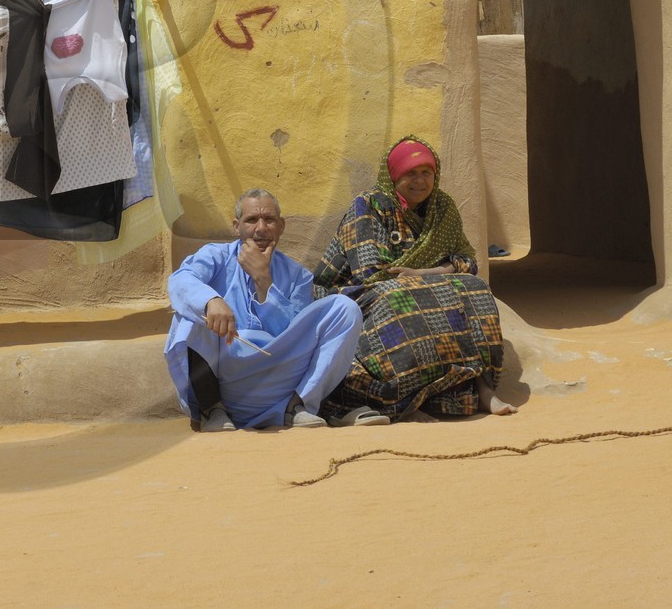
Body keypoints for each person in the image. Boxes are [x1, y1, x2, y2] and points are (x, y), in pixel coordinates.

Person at [312, 136, 518, 420]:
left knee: (475, 290)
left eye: (427, 173)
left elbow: (468, 263)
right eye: (411, 173)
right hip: (350, 294)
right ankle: (407, 397)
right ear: (394, 176)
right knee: (400, 299)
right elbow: (371, 274)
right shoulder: (369, 206)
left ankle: (481, 389)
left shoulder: (442, 208)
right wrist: (424, 280)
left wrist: (425, 274)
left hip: (418, 286)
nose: (420, 181)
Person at [164, 189, 383, 431]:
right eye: (251, 220)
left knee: (346, 308)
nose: (261, 228)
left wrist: (263, 280)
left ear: (281, 226)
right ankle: (212, 410)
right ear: (237, 227)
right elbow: (180, 280)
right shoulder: (216, 256)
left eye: (268, 220)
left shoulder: (298, 276)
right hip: (226, 383)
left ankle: (297, 407)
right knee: (190, 315)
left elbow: (291, 335)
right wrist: (211, 300)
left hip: (279, 382)